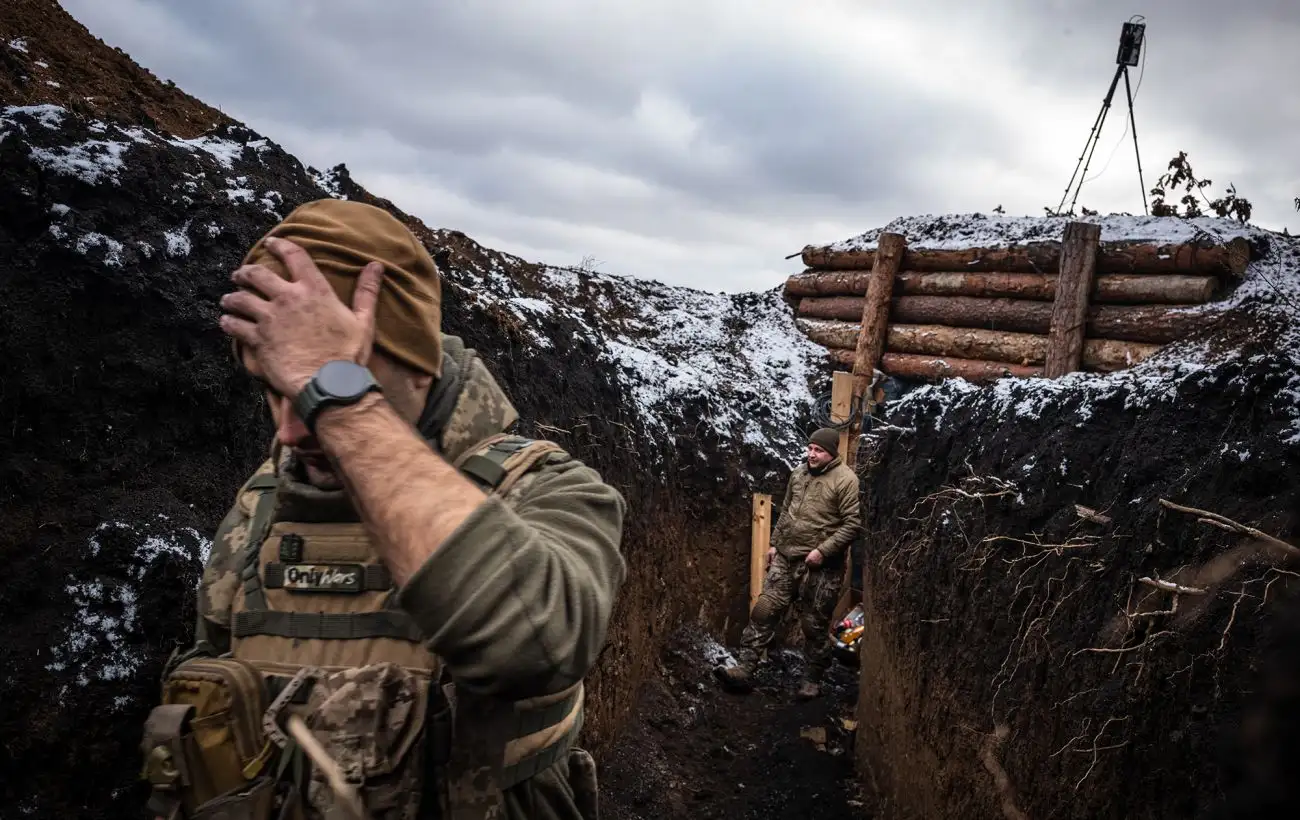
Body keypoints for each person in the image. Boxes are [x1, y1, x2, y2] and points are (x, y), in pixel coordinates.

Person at [140, 199, 627, 820]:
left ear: (417, 366)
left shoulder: (551, 489)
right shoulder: (259, 510)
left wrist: (338, 398)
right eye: (276, 388)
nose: (293, 429)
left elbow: (537, 640)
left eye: (331, 380)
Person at [715, 427, 861, 699]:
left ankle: (812, 679)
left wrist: (823, 551)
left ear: (831, 453)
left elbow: (852, 524)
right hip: (787, 556)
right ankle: (745, 669)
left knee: (813, 625)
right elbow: (787, 513)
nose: (811, 454)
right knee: (764, 610)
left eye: (818, 450)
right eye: (810, 449)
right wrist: (774, 543)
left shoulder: (845, 480)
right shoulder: (799, 474)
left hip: (822, 566)